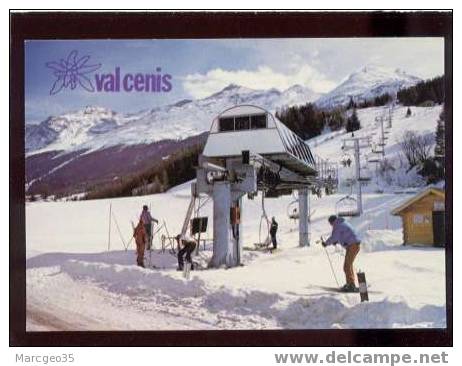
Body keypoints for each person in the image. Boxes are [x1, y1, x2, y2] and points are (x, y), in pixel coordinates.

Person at [322, 215, 361, 292]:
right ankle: (350, 283)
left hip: (352, 246)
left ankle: (351, 285)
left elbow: (334, 236)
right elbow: (342, 235)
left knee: (347, 266)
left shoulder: (337, 225)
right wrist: (337, 241)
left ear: (332, 222)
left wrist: (326, 243)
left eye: (330, 224)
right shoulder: (342, 223)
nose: (331, 225)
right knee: (348, 265)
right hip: (353, 245)